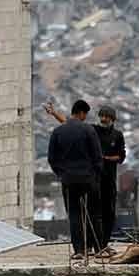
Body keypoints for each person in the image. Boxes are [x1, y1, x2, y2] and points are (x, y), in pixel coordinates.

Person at [45, 101, 125, 245]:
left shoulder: (117, 136)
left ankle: (103, 244)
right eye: (102, 116)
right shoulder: (91, 130)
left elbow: (121, 156)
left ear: (113, 119)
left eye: (107, 117)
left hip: (108, 179)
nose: (104, 119)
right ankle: (92, 245)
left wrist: (106, 159)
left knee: (108, 213)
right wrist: (54, 113)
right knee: (92, 214)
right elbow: (70, 125)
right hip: (93, 179)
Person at [47, 100, 104, 257]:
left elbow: (52, 158)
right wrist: (95, 175)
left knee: (74, 215)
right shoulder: (88, 130)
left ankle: (79, 250)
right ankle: (98, 248)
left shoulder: (58, 132)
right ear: (81, 113)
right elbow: (97, 156)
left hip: (68, 180)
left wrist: (61, 174)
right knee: (94, 214)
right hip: (88, 179)